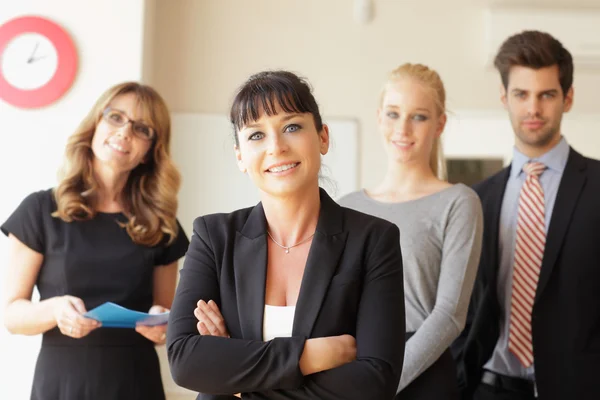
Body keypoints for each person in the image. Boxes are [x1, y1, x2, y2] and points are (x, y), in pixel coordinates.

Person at [167, 70, 406, 400]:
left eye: (291, 127)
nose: (276, 147)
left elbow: (375, 381)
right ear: (240, 156)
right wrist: (308, 356)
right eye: (256, 136)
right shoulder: (213, 237)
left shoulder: (374, 240)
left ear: (322, 137)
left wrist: (236, 379)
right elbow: (184, 361)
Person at [1, 82, 190, 400]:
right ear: (95, 124)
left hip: (135, 383)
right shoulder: (40, 209)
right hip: (61, 383)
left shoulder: (161, 224)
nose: (125, 132)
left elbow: (169, 320)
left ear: (150, 151)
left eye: (142, 128)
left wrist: (163, 327)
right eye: (116, 117)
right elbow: (11, 316)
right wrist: (56, 310)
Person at [454, 30, 600, 400]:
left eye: (546, 94)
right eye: (521, 94)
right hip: (489, 388)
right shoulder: (477, 199)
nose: (533, 108)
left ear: (567, 98)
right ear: (505, 98)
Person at [338, 63, 483, 399]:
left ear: (439, 124)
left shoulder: (458, 202)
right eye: (393, 114)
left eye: (418, 116)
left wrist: (380, 383)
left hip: (421, 377)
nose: (402, 128)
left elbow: (449, 315)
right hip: (354, 370)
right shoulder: (346, 207)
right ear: (379, 118)